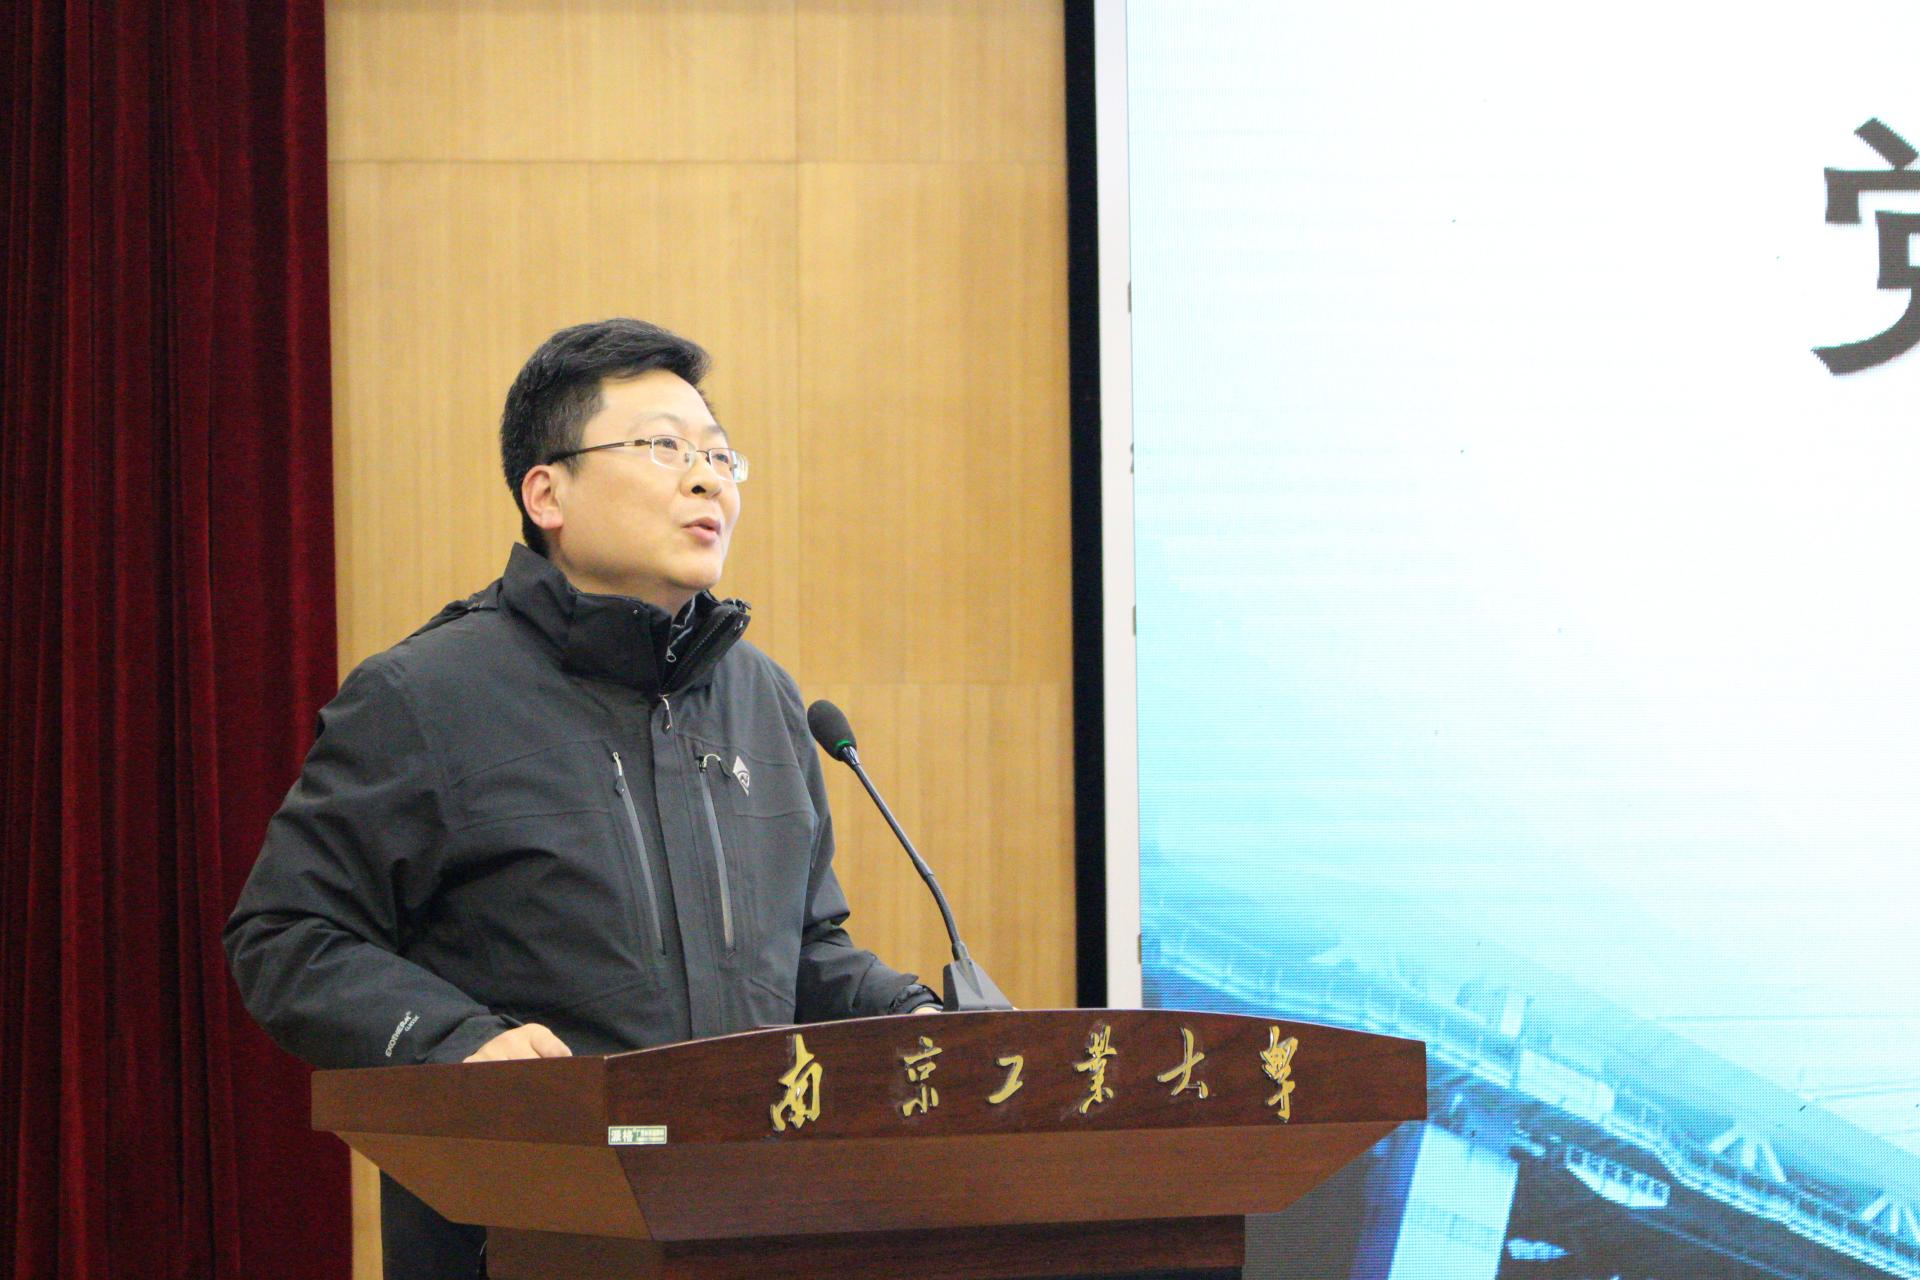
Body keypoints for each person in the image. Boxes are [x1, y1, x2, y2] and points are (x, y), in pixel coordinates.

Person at [225, 318, 937, 1278]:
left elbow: (801, 952)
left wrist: (918, 1015)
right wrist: (455, 1043)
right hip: (522, 1232)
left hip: (753, 1231)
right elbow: (286, 935)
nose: (708, 481)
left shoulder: (765, 701)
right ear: (546, 493)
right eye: (665, 448)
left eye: (720, 455)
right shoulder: (426, 696)